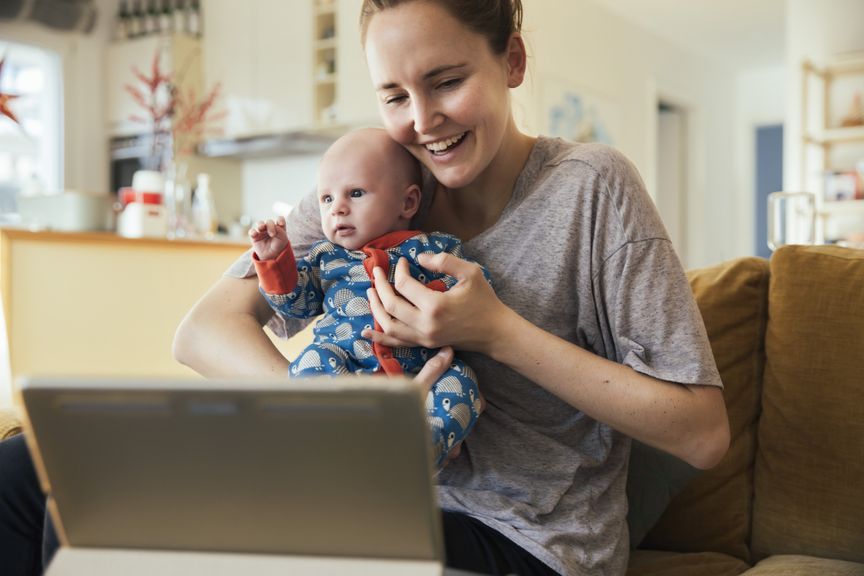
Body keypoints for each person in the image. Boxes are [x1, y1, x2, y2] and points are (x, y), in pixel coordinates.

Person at [0, 1, 730, 575]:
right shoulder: (371, 185)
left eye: (446, 81)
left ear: (511, 59)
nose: (421, 121)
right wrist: (340, 416)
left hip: (521, 540)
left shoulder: (592, 188)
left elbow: (701, 433)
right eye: (394, 95)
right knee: (24, 472)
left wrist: (496, 331)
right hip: (355, 493)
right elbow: (202, 331)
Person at [249, 127, 486, 468]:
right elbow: (295, 303)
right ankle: (340, 439)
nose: (337, 209)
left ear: (408, 202)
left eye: (356, 193)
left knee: (464, 383)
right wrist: (276, 260)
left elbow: (476, 290)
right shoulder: (326, 257)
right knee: (308, 363)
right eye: (327, 199)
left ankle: (422, 451)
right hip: (345, 362)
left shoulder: (434, 249)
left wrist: (437, 297)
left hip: (421, 368)